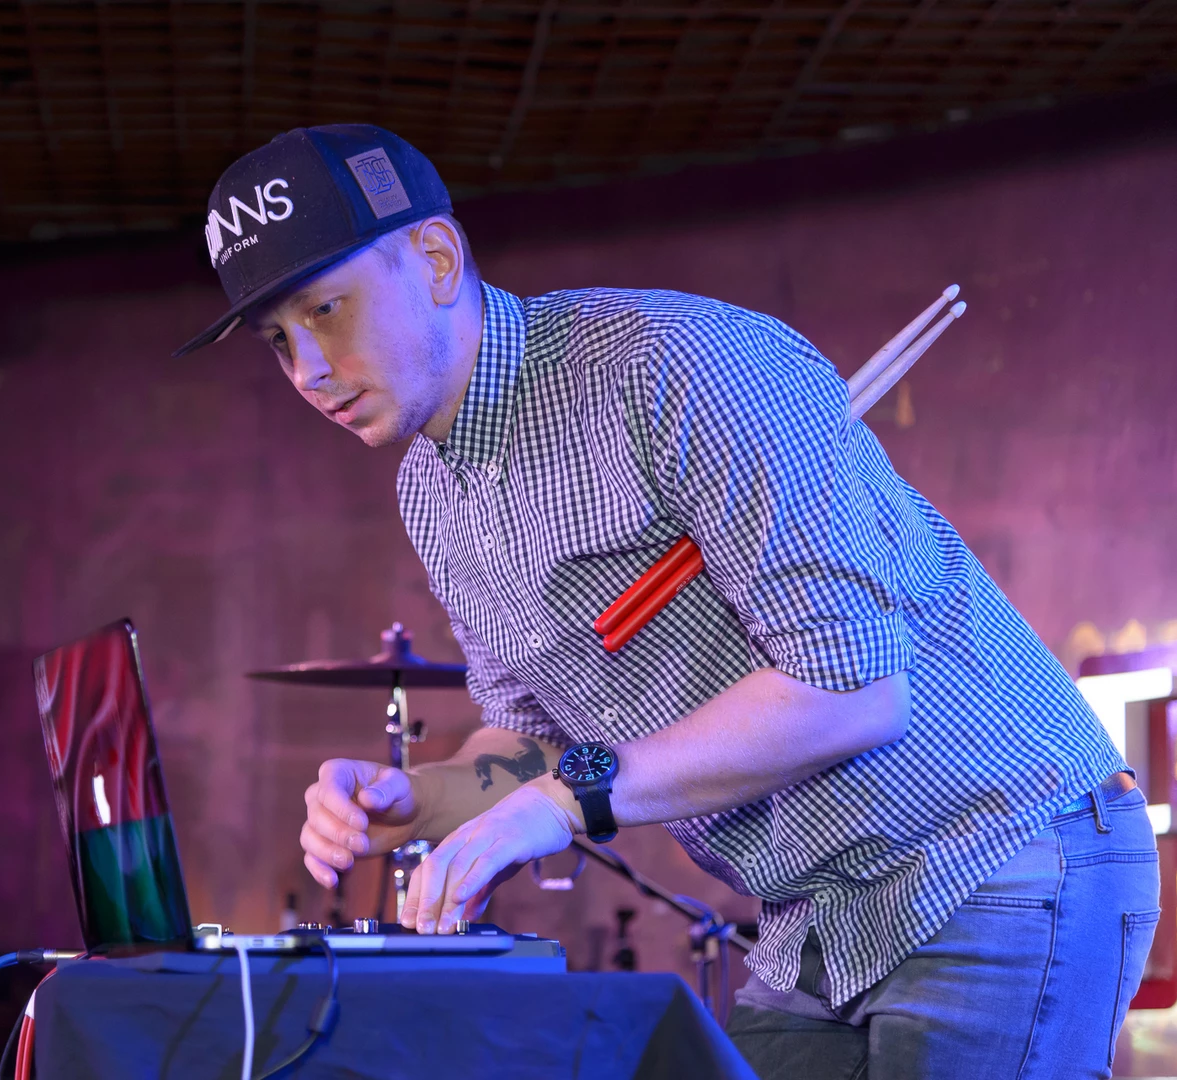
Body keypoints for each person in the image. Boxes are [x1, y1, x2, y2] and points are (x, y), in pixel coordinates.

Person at [174, 125, 1160, 1078]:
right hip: (817, 913)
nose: (306, 370)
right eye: (277, 339)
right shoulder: (431, 496)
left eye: (327, 310)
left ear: (435, 258)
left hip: (994, 846)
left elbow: (852, 691)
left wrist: (561, 806)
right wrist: (421, 799)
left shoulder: (674, 366)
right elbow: (541, 747)